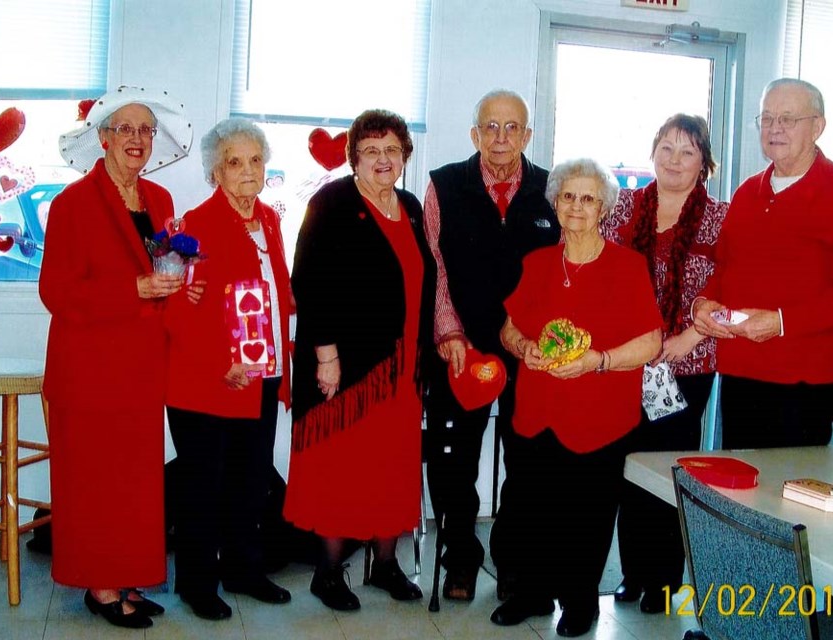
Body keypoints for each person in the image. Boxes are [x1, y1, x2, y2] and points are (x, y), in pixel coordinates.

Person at [41, 86, 193, 629]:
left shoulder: (160, 202)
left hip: (142, 368)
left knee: (134, 484)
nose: (136, 139)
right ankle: (101, 587)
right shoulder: (70, 204)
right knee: (93, 484)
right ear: (102, 138)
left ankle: (127, 577)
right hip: (88, 373)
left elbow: (166, 271)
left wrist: (181, 287)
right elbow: (56, 293)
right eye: (125, 129)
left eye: (145, 130)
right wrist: (134, 288)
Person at [492, 158, 662, 637]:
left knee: (586, 513)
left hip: (600, 416)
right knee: (530, 507)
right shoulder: (538, 263)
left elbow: (650, 341)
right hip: (537, 411)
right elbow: (510, 329)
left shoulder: (628, 267)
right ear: (555, 202)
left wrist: (600, 360)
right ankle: (531, 593)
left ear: (605, 206)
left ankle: (581, 601)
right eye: (568, 196)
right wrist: (523, 346)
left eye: (588, 198)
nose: (577, 206)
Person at [283, 109, 436, 611]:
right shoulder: (332, 202)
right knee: (341, 468)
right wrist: (326, 356)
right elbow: (307, 278)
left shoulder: (411, 208)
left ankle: (385, 565)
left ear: (405, 156)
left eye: (392, 149)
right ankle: (327, 574)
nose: (383, 159)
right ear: (353, 159)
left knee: (392, 469)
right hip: (349, 372)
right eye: (371, 151)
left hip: (401, 373)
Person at [693, 78, 833, 448]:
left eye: (787, 119)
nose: (774, 128)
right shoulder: (748, 191)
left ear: (818, 126)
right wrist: (703, 304)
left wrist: (781, 322)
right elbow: (724, 270)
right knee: (737, 491)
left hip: (802, 383)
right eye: (766, 118)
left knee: (786, 500)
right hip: (739, 371)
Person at [423, 89, 559, 602]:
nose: (501, 138)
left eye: (512, 128)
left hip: (530, 353)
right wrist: (448, 331)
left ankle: (515, 562)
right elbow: (434, 266)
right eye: (490, 127)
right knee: (453, 460)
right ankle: (459, 557)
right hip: (461, 346)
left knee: (527, 460)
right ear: (474, 133)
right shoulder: (444, 184)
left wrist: (539, 341)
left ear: (527, 135)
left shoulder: (553, 189)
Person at [164, 118, 293, 620]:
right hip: (207, 382)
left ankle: (243, 569)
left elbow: (277, 295)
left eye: (255, 161)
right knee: (204, 486)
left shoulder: (272, 221)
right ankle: (197, 585)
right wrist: (224, 361)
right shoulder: (191, 226)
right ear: (215, 171)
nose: (247, 171)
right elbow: (174, 310)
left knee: (251, 479)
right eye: (235, 162)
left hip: (262, 375)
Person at [601, 114, 728, 613]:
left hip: (687, 363)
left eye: (688, 152)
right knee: (627, 467)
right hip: (627, 363)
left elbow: (730, 288)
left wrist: (687, 338)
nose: (675, 160)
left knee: (665, 470)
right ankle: (632, 573)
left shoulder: (721, 217)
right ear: (653, 151)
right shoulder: (623, 209)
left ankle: (665, 581)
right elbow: (602, 275)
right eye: (667, 148)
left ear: (705, 164)